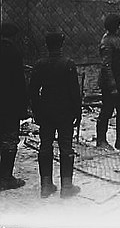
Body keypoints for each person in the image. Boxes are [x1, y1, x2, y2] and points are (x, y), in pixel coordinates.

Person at [29, 31, 81, 198]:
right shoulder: (68, 64)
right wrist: (77, 112)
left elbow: (32, 91)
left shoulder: (39, 64)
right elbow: (74, 92)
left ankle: (46, 185)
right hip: (65, 112)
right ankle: (66, 186)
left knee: (45, 146)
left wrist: (37, 112)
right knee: (66, 147)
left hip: (46, 112)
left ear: (47, 45)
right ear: (61, 44)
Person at [96, 13, 120, 151]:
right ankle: (101, 140)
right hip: (110, 82)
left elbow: (119, 57)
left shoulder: (116, 38)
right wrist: (112, 86)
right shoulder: (106, 42)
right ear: (116, 25)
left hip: (119, 79)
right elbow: (106, 66)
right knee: (107, 110)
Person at [0, 22, 28, 191]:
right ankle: (5, 177)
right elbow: (19, 82)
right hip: (9, 105)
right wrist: (23, 107)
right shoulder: (14, 53)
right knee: (9, 140)